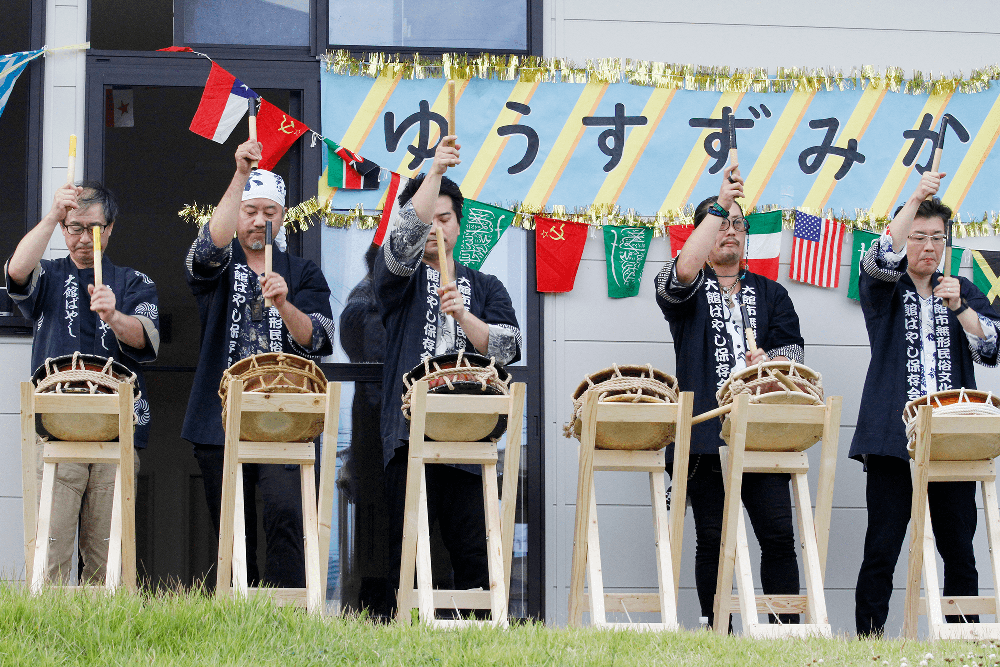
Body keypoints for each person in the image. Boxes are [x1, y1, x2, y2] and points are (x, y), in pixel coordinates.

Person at [374, 135, 521, 611]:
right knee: (408, 551)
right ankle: (404, 639)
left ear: (459, 225)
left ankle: (476, 639)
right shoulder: (400, 278)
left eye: (445, 218)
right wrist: (433, 172)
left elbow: (510, 347)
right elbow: (399, 246)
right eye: (427, 218)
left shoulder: (487, 284)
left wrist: (466, 318)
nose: (436, 227)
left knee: (475, 552)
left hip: (469, 436)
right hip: (408, 433)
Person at [851, 171, 1000, 637]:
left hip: (954, 440)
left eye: (937, 238)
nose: (928, 247)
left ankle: (965, 637)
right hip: (893, 438)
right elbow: (878, 262)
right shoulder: (884, 292)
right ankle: (867, 640)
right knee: (882, 546)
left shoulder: (962, 290)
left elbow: (992, 347)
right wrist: (915, 197)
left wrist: (961, 308)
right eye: (918, 236)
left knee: (959, 547)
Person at [654, 165, 804, 628]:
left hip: (763, 434)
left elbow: (794, 353)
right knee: (714, 536)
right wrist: (719, 205)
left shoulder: (772, 292)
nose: (731, 230)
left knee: (778, 534)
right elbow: (680, 272)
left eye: (738, 223)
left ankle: (784, 635)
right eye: (720, 223)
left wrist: (769, 366)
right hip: (703, 435)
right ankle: (715, 630)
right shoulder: (688, 288)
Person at [182, 140, 335, 588]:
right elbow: (203, 254)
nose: (258, 220)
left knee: (287, 517)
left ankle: (286, 617)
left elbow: (321, 338)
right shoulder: (220, 266)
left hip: (285, 416)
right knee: (230, 528)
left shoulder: (303, 271)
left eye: (269, 211)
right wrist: (238, 175)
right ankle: (233, 620)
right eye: (250, 210)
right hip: (219, 417)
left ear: (282, 216)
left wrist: (286, 305)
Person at [5, 181, 160, 583]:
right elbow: (16, 271)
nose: (83, 238)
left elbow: (145, 338)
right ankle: (49, 635)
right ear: (63, 229)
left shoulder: (134, 282)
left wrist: (114, 317)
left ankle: (105, 636)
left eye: (92, 228)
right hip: (57, 428)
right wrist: (54, 214)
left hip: (117, 433)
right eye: (73, 227)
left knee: (108, 556)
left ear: (109, 229)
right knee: (50, 549)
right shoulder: (50, 273)